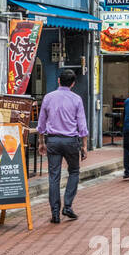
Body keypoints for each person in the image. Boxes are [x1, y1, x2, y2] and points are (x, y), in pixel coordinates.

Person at [36, 68, 89, 223]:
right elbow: (82, 125)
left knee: (54, 176)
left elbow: (41, 123)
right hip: (71, 141)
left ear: (58, 80)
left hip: (53, 140)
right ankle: (67, 205)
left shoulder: (48, 97)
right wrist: (84, 145)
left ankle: (55, 213)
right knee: (74, 171)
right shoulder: (76, 99)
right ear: (73, 84)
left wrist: (41, 142)